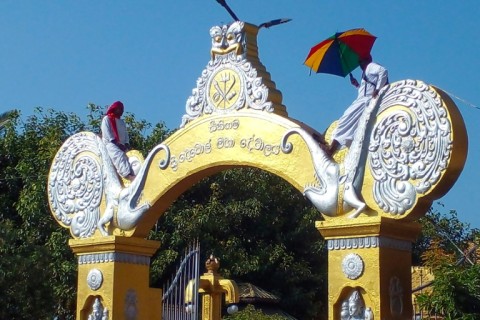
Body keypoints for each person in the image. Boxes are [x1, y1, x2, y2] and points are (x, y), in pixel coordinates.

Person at [327, 55, 388, 156]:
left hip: (366, 101)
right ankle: (335, 146)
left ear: (367, 60)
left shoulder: (370, 66)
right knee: (345, 120)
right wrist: (357, 85)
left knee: (345, 119)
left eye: (361, 61)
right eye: (359, 62)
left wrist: (377, 89)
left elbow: (383, 71)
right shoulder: (366, 71)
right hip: (362, 100)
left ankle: (332, 149)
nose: (360, 65)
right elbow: (365, 90)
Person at [101, 101, 135, 181]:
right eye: (120, 109)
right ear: (115, 109)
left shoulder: (122, 122)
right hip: (110, 144)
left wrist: (126, 144)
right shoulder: (107, 119)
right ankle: (128, 175)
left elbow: (126, 134)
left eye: (122, 110)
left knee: (131, 156)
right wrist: (116, 143)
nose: (122, 111)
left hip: (122, 146)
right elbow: (107, 133)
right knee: (119, 155)